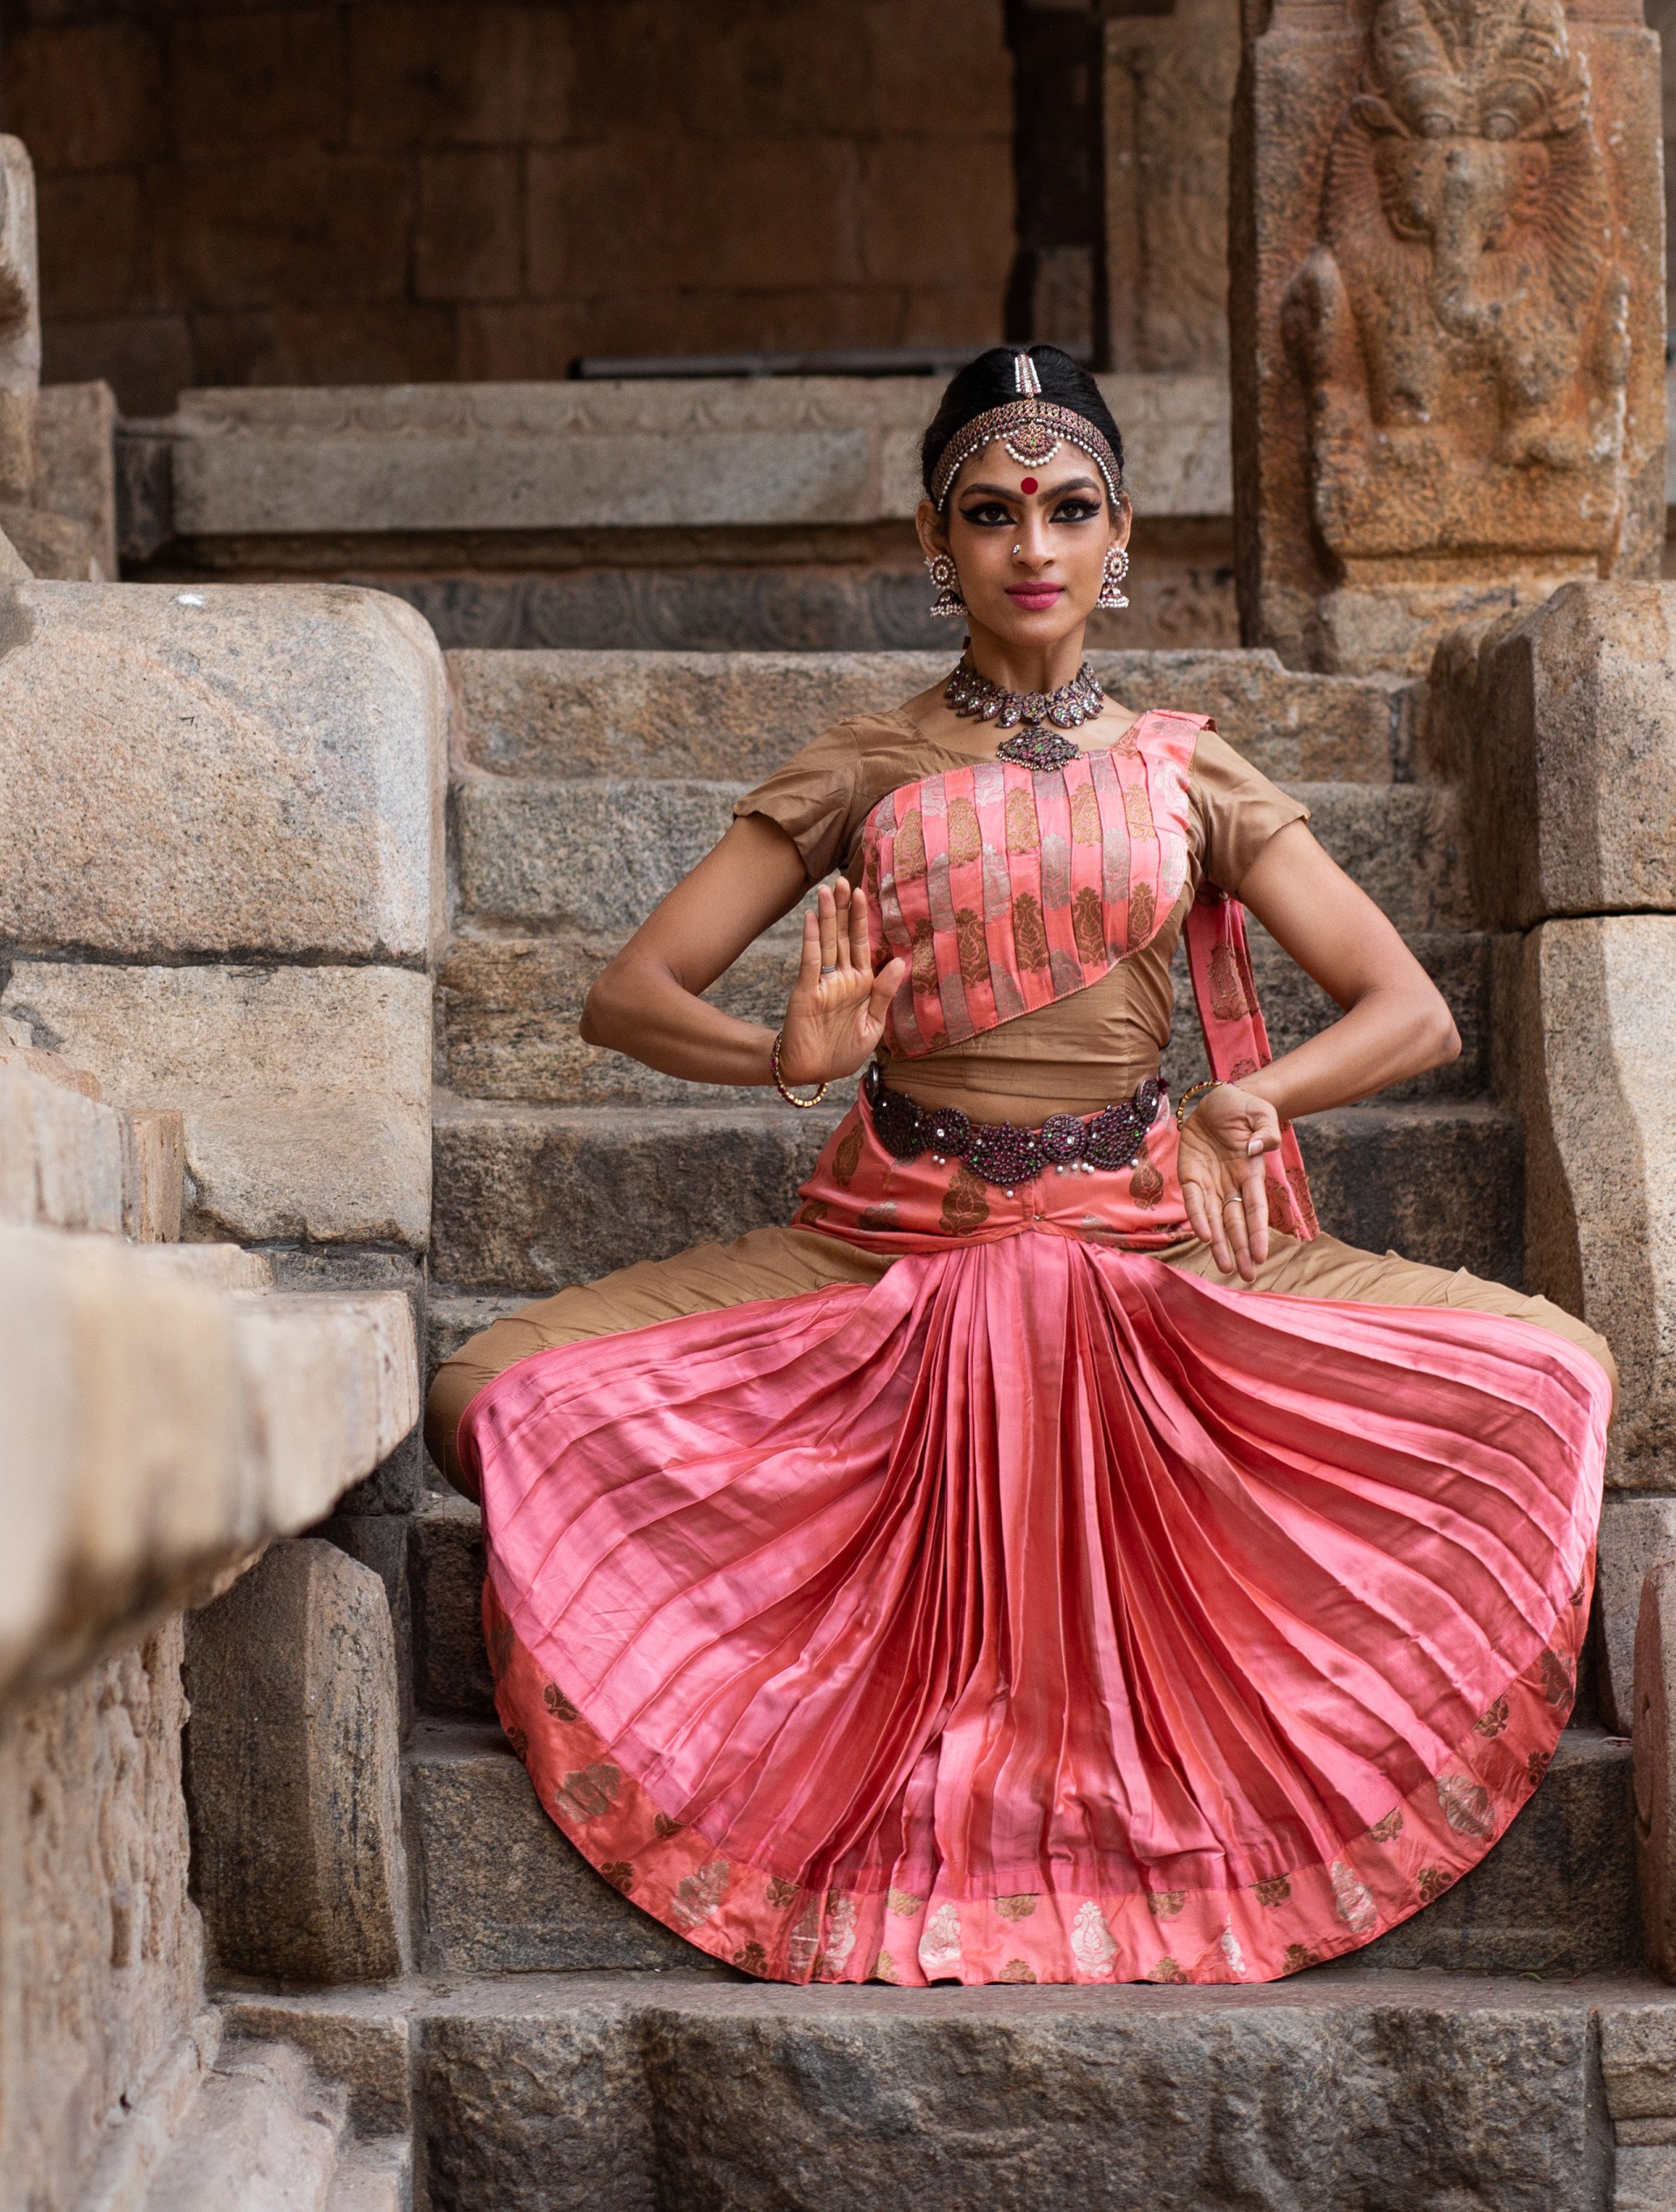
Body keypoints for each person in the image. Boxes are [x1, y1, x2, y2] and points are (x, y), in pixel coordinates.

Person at [423, 344, 1614, 1989]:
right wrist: (793, 1055)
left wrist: (1243, 1105)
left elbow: (1401, 1013)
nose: (1030, 546)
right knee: (495, 1392)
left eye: (1067, 510)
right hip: (886, 1245)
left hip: (1144, 1246)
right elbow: (625, 996)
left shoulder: (1189, 767)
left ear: (1118, 539)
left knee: (1548, 1376)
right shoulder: (863, 767)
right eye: (991, 514)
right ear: (938, 542)